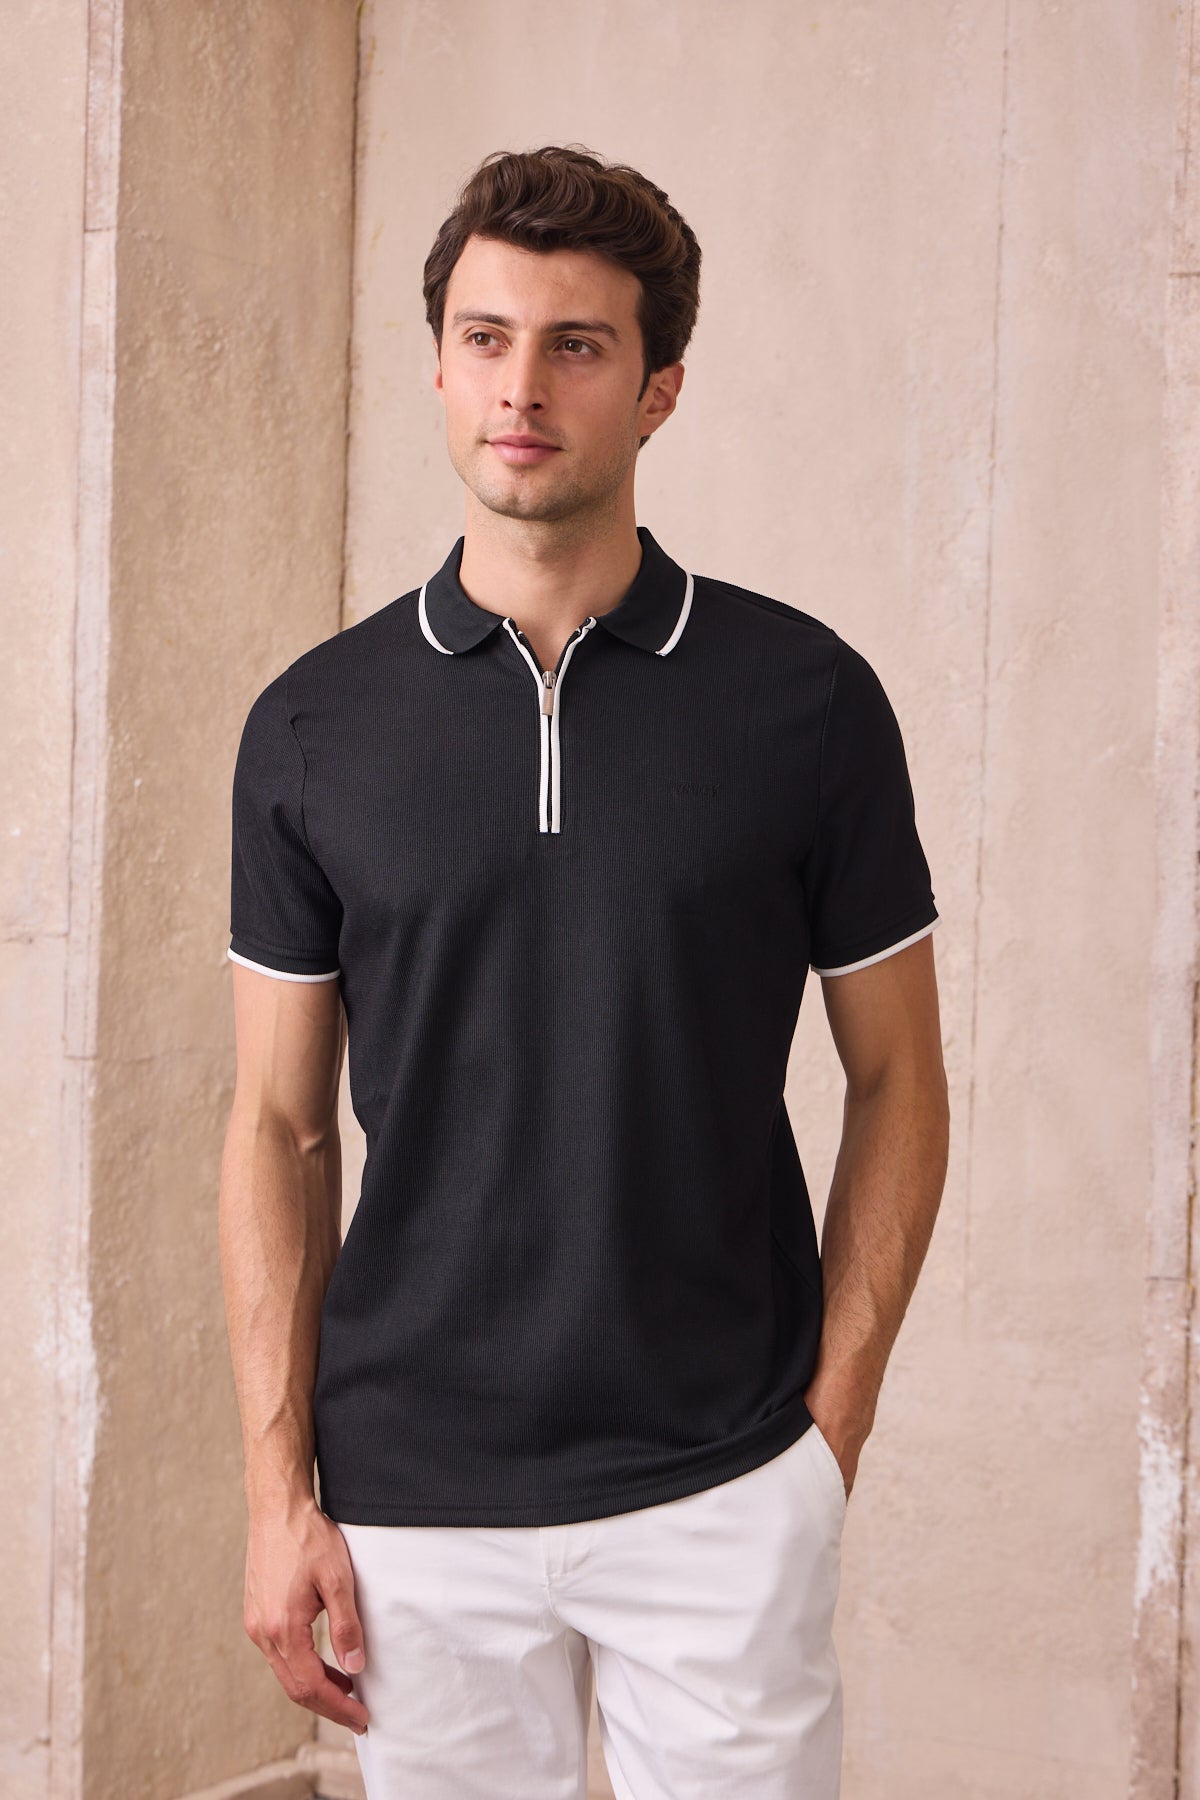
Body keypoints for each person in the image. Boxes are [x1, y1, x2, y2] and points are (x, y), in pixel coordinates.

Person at [219, 144, 950, 1800]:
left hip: (723, 1480)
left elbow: (901, 1077)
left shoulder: (808, 702)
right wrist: (279, 1493)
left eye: (577, 345)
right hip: (412, 1502)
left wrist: (826, 1436)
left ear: (660, 388)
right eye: (485, 339)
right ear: (437, 366)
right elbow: (276, 1125)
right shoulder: (313, 728)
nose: (522, 388)